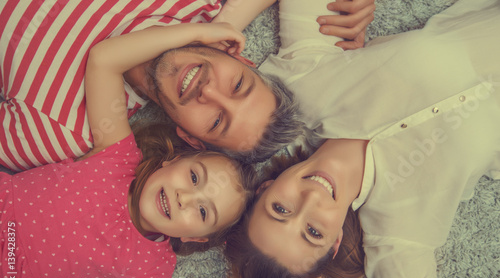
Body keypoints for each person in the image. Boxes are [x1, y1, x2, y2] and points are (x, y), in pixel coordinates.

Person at [223, 0, 500, 278]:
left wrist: (222, 26)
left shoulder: (304, 88)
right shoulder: (399, 232)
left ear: (267, 187)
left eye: (280, 208)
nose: (311, 199)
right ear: (336, 242)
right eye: (313, 232)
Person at [0, 22, 257, 278]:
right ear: (169, 162)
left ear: (194, 238)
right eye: (192, 177)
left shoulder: (148, 264)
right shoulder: (118, 155)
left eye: (202, 212)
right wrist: (196, 35)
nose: (185, 198)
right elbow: (104, 60)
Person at [0, 0, 373, 171]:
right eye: (238, 85)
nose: (208, 92)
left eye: (215, 121)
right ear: (240, 57)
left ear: (191, 139)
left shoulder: (64, 132)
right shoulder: (206, 8)